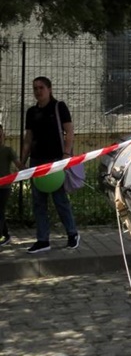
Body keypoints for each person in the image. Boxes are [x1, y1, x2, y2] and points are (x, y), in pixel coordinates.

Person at [20, 77, 80, 254]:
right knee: (38, 202)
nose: (38, 91)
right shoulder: (31, 112)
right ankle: (42, 240)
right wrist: (22, 161)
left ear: (49, 89)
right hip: (36, 162)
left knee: (60, 200)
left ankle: (72, 234)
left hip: (55, 162)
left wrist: (66, 155)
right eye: (35, 88)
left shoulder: (59, 107)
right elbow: (28, 138)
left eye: (41, 87)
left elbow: (69, 131)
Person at [0, 124, 22, 246]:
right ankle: (7, 235)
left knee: (0, 210)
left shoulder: (8, 150)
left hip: (4, 187)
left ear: (3, 136)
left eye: (0, 135)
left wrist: (31, 171)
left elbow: (18, 164)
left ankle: (2, 235)